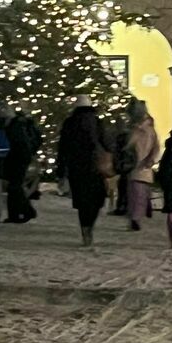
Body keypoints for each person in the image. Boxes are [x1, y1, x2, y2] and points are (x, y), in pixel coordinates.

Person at [55, 94, 113, 247]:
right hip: (95, 167)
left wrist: (61, 171)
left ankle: (85, 228)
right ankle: (90, 226)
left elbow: (63, 148)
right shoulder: (97, 122)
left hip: (77, 167)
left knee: (82, 201)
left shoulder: (69, 123)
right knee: (96, 199)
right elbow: (107, 143)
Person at [124, 100, 160, 231]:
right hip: (140, 165)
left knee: (136, 192)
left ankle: (135, 217)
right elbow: (156, 147)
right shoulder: (149, 129)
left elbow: (128, 145)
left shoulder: (139, 129)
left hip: (138, 165)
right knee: (138, 193)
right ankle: (135, 217)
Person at [5, 108, 41, 223]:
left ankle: (24, 211)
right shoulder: (24, 125)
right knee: (16, 186)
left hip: (17, 158)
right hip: (23, 157)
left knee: (15, 186)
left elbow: (16, 144)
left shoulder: (15, 127)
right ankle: (18, 213)